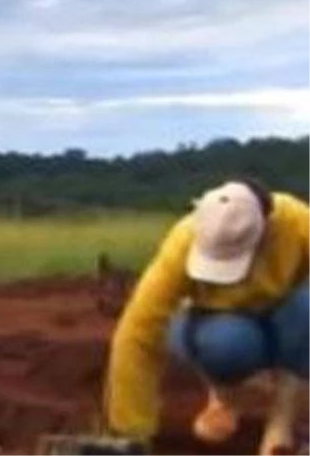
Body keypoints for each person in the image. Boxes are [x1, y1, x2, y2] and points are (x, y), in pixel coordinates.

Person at [103, 179, 310, 456]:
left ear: (264, 233)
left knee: (306, 308)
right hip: (213, 324)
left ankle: (280, 424)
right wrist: (131, 433)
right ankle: (224, 397)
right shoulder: (184, 241)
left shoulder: (297, 223)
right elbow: (138, 330)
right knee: (227, 345)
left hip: (283, 315)